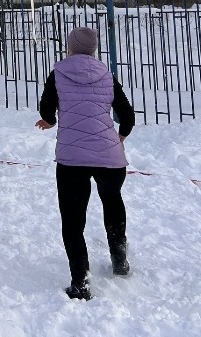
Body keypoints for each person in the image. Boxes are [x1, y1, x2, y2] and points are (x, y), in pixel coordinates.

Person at [35, 26, 135, 300]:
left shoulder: (59, 73)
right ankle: (119, 261)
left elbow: (46, 108)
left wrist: (51, 120)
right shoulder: (106, 73)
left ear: (70, 47)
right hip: (110, 157)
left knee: (73, 219)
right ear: (94, 48)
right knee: (112, 201)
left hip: (72, 159)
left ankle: (81, 281)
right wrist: (119, 139)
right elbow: (127, 116)